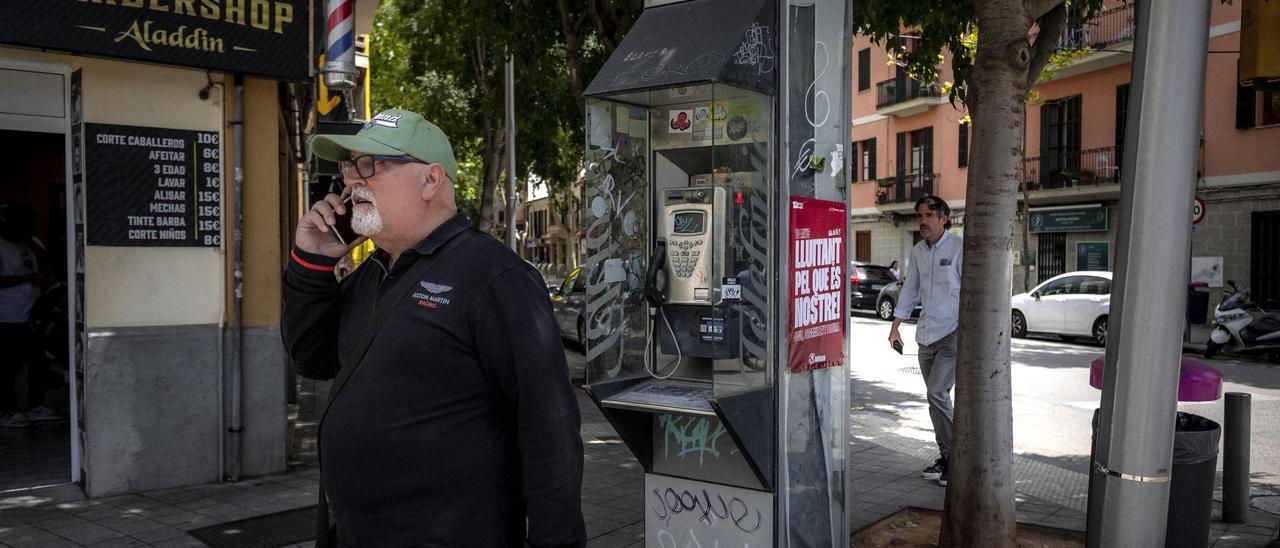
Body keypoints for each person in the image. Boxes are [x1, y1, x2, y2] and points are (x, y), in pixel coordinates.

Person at [281, 109, 586, 547]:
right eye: (350, 167)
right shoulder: (374, 271)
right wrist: (312, 261)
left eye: (371, 165)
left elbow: (549, 432)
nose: (352, 182)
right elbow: (310, 355)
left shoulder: (494, 277)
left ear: (431, 180)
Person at [887, 196, 963, 487]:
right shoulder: (918, 251)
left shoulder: (958, 248)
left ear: (944, 218)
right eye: (920, 215)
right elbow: (910, 291)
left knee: (937, 394)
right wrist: (895, 328)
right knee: (935, 401)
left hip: (952, 334)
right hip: (926, 338)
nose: (923, 221)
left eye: (929, 215)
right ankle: (946, 457)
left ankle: (956, 459)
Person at [0, 205, 62, 428]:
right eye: (23, 225)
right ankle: (7, 410)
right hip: (7, 316)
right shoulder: (2, 245)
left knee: (40, 360)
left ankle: (37, 405)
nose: (27, 229)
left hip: (32, 314)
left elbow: (46, 259)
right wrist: (29, 278)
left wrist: (33, 239)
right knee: (9, 365)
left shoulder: (28, 244)